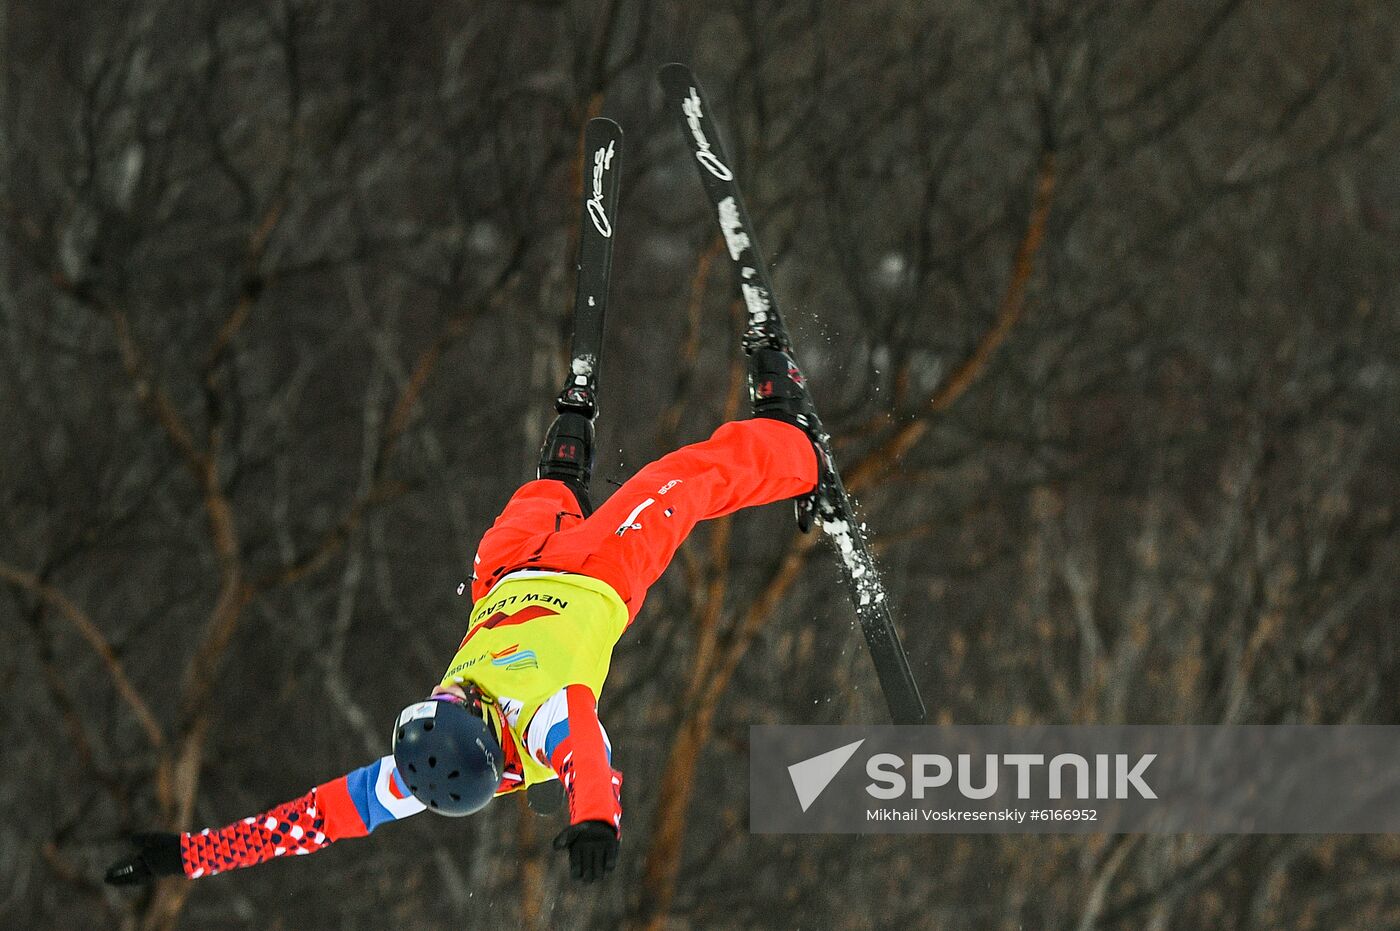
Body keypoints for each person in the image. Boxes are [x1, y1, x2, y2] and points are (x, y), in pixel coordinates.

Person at [105, 347, 829, 886]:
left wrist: (188, 853)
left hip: (507, 578)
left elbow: (309, 822)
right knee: (672, 482)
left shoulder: (420, 768)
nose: (452, 687)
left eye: (441, 695)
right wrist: (594, 820)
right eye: (456, 699)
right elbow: (588, 752)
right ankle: (796, 446)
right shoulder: (539, 724)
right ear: (481, 727)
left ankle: (562, 470)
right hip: (594, 571)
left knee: (503, 533)